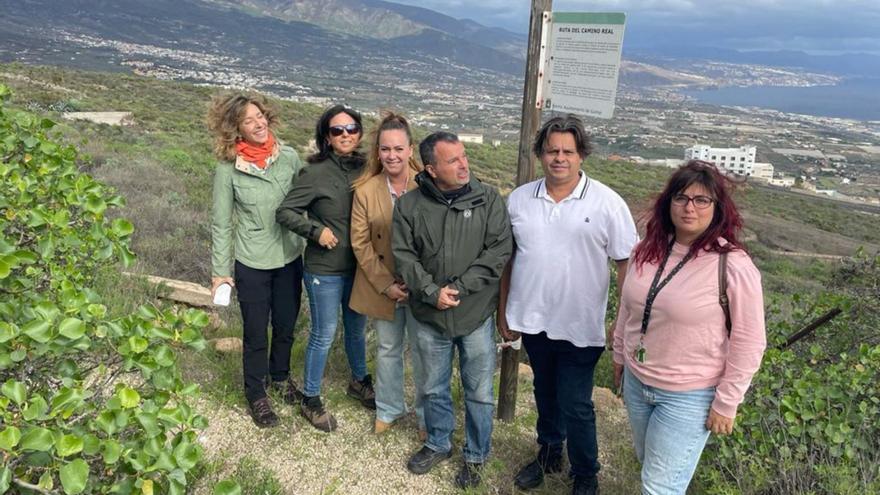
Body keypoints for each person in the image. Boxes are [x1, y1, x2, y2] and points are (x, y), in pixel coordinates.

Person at [497, 115, 638, 495]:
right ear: (541, 154)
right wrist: (504, 311)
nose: (559, 158)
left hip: (581, 324)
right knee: (544, 390)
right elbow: (508, 259)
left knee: (575, 401)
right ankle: (549, 453)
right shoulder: (520, 200)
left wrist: (624, 322)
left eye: (567, 151)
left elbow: (627, 264)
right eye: (552, 150)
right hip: (533, 317)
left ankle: (586, 471)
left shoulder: (608, 203)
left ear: (581, 156)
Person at [612, 160, 766, 494]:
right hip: (639, 382)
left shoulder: (733, 265)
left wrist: (727, 402)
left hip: (690, 394)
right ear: (668, 203)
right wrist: (619, 355)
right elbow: (629, 306)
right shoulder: (646, 250)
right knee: (648, 465)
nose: (689, 207)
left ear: (717, 207)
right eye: (681, 198)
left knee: (659, 486)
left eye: (701, 200)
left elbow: (749, 341)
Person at [393, 131, 512, 489]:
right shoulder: (409, 206)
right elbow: (404, 256)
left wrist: (457, 288)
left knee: (478, 392)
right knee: (432, 386)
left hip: (474, 315)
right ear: (431, 169)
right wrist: (431, 292)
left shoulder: (488, 199)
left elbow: (497, 252)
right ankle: (438, 443)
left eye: (463, 156)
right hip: (430, 316)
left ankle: (476, 455)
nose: (464, 164)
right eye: (453, 160)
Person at [208, 93, 306, 428]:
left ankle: (280, 378)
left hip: (290, 257)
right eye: (248, 120)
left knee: (285, 325)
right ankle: (256, 394)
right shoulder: (228, 170)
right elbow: (221, 222)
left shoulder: (290, 158)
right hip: (252, 261)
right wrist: (220, 272)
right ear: (236, 129)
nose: (258, 123)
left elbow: (308, 201)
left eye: (260, 116)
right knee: (254, 331)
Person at [275, 104, 374, 432]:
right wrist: (316, 232)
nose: (345, 135)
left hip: (360, 268)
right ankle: (311, 397)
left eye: (351, 129)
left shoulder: (368, 168)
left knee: (357, 329)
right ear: (326, 137)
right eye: (337, 130)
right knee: (324, 332)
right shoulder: (314, 173)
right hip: (325, 269)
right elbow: (286, 212)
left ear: (359, 133)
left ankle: (359, 381)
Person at [349, 112, 426, 437]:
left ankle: (426, 416)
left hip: (423, 286)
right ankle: (389, 408)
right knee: (388, 349)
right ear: (377, 152)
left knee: (425, 352)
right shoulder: (366, 190)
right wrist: (387, 285)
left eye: (398, 149)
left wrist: (421, 282)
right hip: (385, 286)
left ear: (411, 149)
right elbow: (361, 242)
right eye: (385, 149)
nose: (392, 155)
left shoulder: (428, 185)